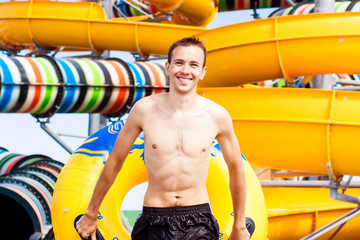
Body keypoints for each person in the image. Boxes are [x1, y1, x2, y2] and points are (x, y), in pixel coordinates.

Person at [76, 37, 250, 240]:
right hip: (154, 219)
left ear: (202, 72)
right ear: (168, 67)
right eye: (179, 63)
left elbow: (236, 169)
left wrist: (239, 224)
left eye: (194, 65)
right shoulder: (144, 109)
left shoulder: (217, 116)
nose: (185, 70)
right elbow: (115, 161)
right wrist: (90, 214)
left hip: (199, 220)